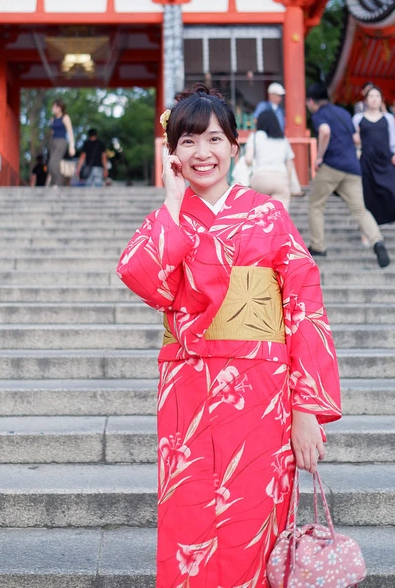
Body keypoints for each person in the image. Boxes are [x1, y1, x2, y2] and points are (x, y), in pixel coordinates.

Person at [117, 83, 341, 588]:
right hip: (188, 389)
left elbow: (304, 308)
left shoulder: (269, 214)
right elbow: (141, 277)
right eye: (188, 142)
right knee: (188, 519)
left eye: (214, 139)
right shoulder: (169, 218)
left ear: (234, 147)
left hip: (261, 392)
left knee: (254, 519)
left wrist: (305, 409)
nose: (203, 153)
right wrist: (173, 204)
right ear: (172, 153)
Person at [306, 83, 390, 268]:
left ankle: (318, 245)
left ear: (311, 101)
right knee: (360, 210)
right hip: (352, 167)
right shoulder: (343, 113)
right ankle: (377, 240)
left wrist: (319, 157)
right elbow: (356, 138)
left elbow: (325, 131)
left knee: (316, 205)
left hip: (332, 165)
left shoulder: (319, 114)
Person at [352, 86, 395, 225]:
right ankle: (368, 229)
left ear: (381, 100)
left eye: (377, 96)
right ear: (366, 100)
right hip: (367, 161)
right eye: (371, 96)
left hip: (386, 160)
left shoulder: (388, 118)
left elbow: (394, 138)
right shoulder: (358, 118)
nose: (374, 99)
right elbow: (354, 139)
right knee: (368, 195)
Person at [254, 82, 303, 196]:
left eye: (281, 96)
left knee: (287, 159)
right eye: (278, 95)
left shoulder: (280, 110)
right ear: (271, 94)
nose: (280, 98)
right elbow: (257, 120)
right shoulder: (263, 106)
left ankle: (295, 188)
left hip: (277, 140)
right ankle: (293, 187)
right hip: (265, 140)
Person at [244, 109, 295, 210]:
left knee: (260, 217)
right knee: (280, 216)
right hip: (281, 178)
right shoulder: (283, 139)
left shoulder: (255, 137)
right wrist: (288, 183)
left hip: (261, 178)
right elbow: (290, 164)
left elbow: (248, 159)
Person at [48, 99, 75, 187]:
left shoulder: (65, 117)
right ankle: (53, 183)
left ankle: (58, 183)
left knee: (54, 162)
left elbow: (70, 132)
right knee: (50, 164)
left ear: (59, 108)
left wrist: (72, 146)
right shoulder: (52, 119)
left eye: (55, 106)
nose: (53, 108)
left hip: (61, 141)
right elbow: (52, 132)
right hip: (53, 142)